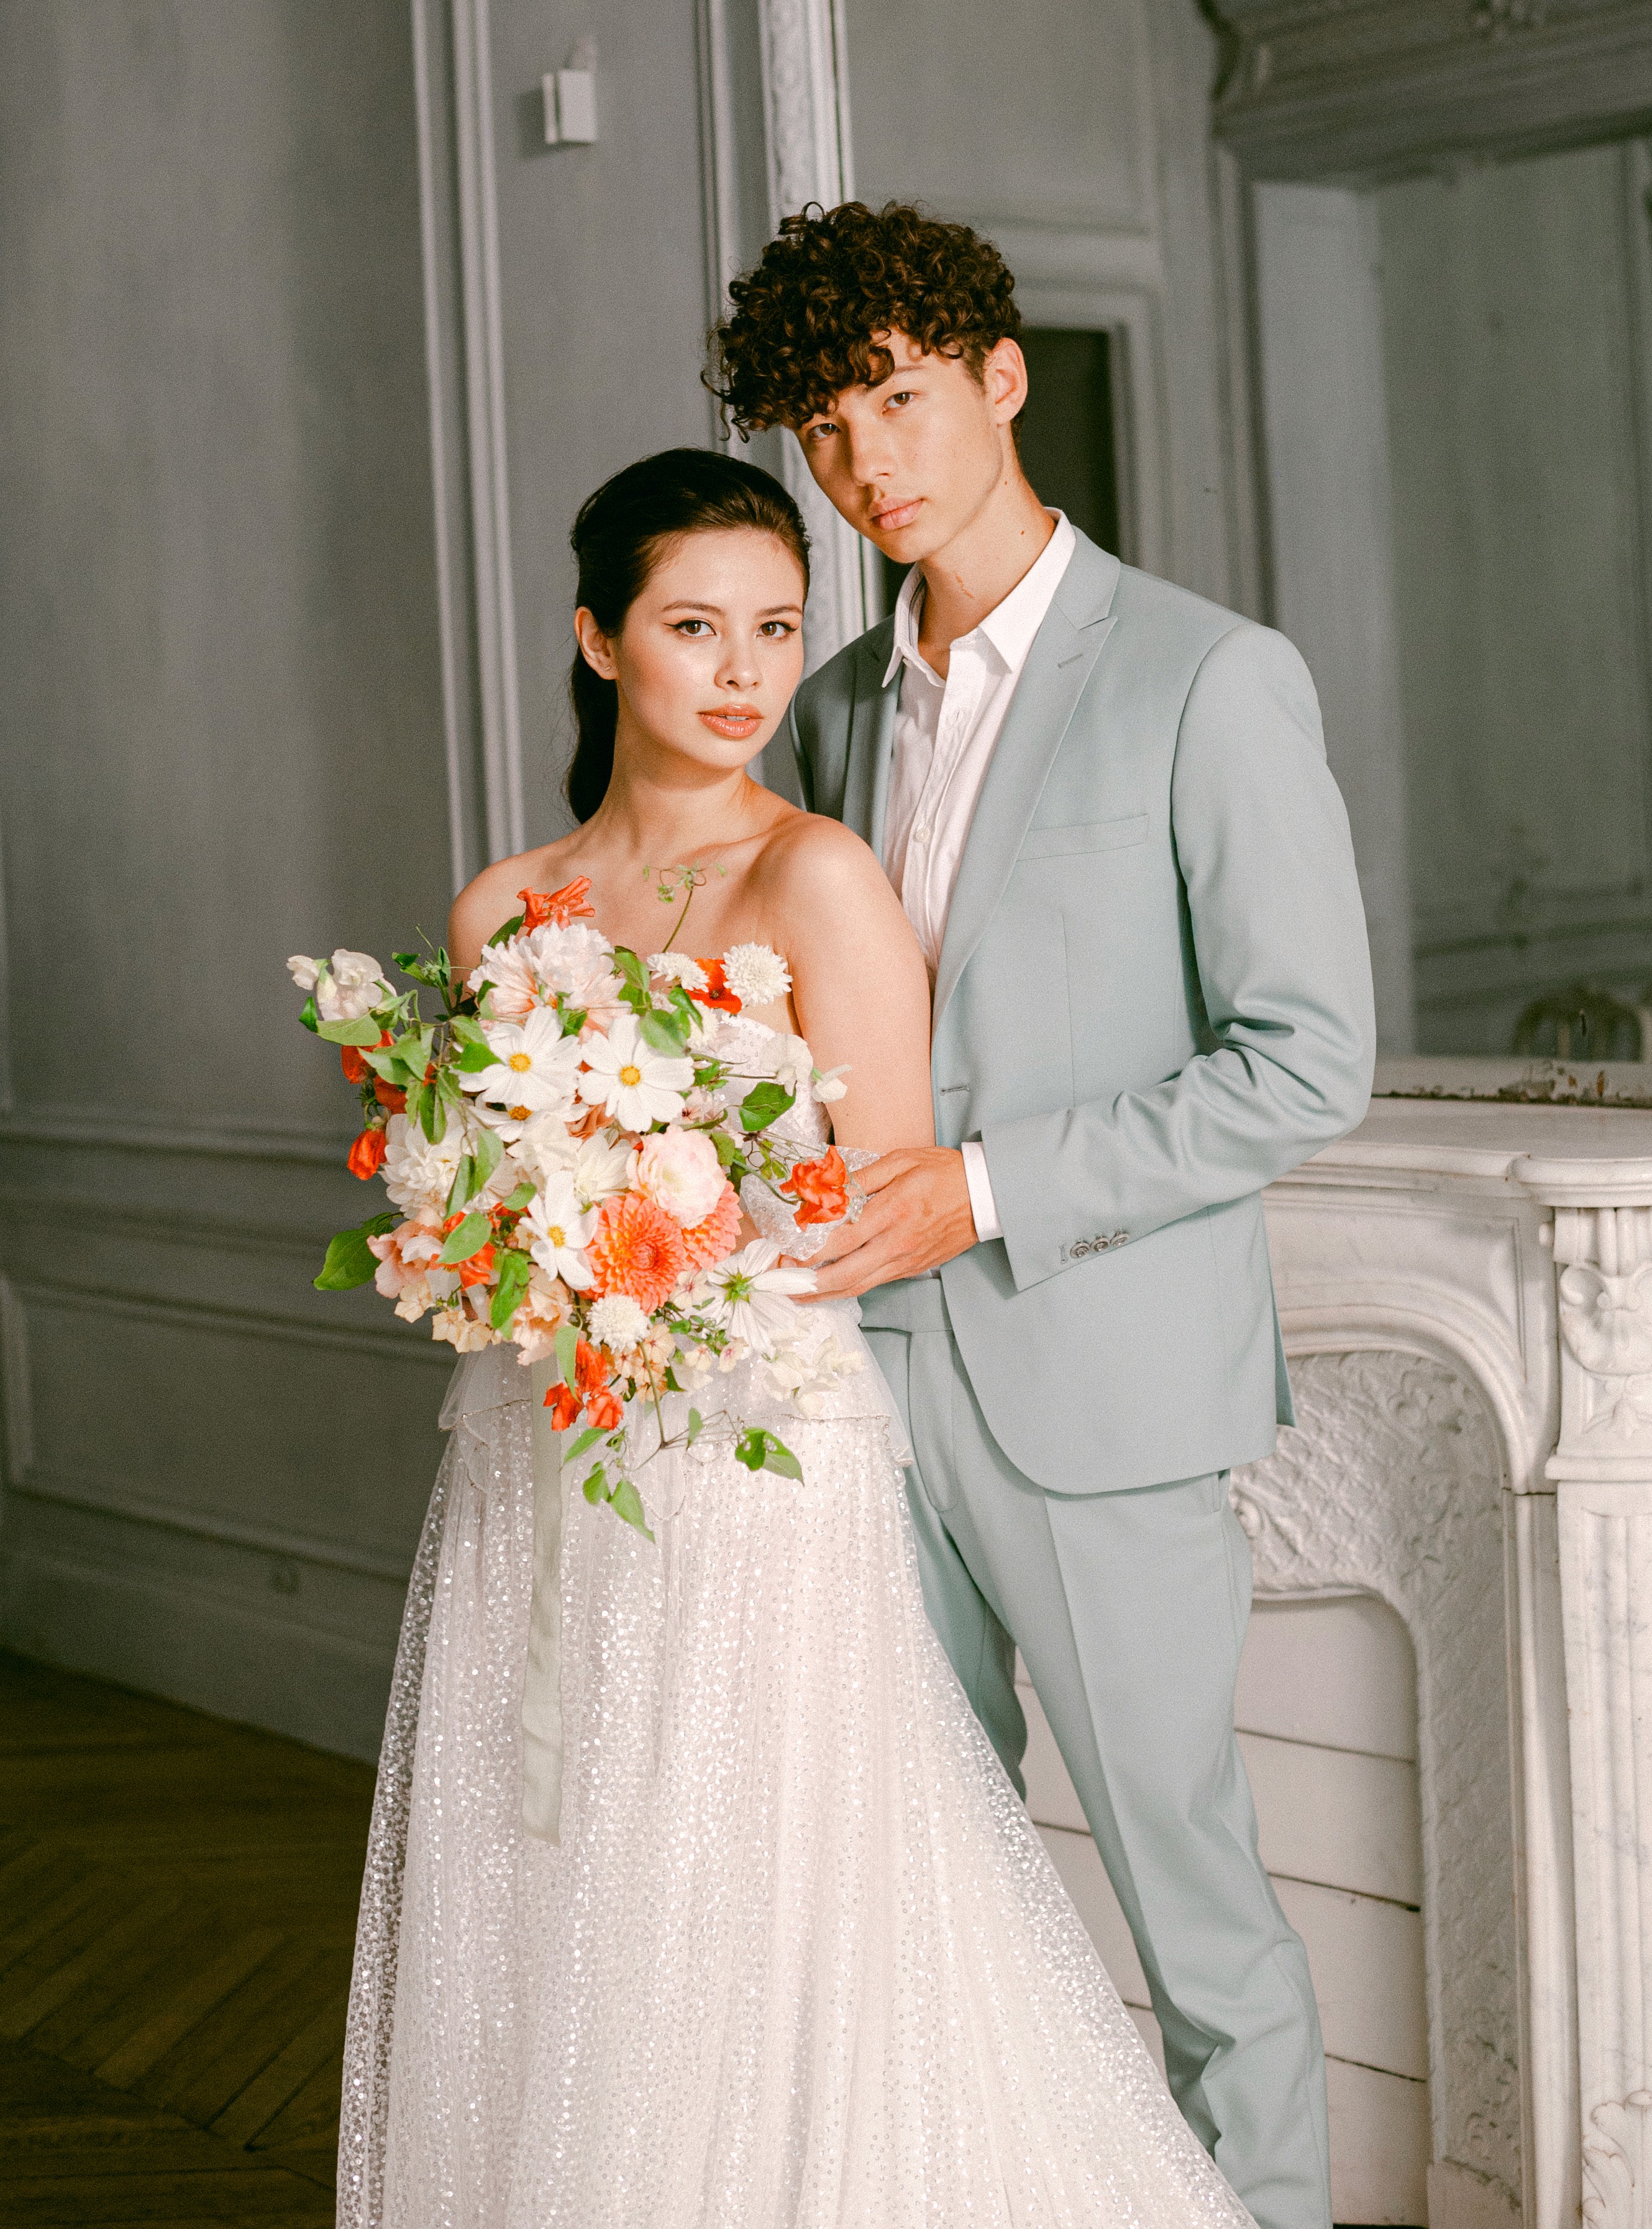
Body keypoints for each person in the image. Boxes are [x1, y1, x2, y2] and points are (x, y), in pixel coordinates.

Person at [337, 446, 1258, 2227]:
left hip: (754, 1447)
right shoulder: (501, 910)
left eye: (777, 627)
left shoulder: (820, 876)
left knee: (749, 1873)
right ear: (599, 640)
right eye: (696, 626)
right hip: (543, 1450)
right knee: (556, 1864)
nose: (747, 670)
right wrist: (509, 1249)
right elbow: (462, 1200)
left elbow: (874, 1203)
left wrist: (653, 1257)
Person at [707, 201, 1377, 2229]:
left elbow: (1305, 1062)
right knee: (921, 1890)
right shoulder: (832, 708)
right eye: (825, 430)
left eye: (897, 400)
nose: (864, 463)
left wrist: (985, 1188)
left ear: (1001, 380)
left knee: (1193, 1906)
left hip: (1096, 1391)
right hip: (856, 1388)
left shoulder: (1207, 677)